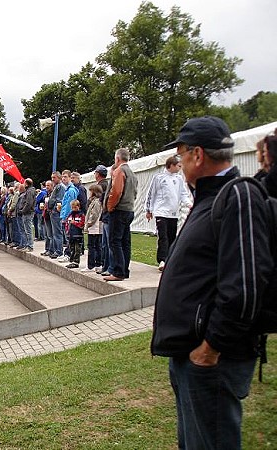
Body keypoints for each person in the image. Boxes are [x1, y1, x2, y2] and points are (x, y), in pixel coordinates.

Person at [151, 116, 273, 449]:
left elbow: (246, 285)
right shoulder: (209, 199)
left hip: (211, 361)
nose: (179, 161)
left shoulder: (237, 196)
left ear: (197, 155)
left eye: (181, 153)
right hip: (193, 358)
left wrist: (209, 349)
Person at [145, 155, 192, 271]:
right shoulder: (159, 178)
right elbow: (151, 194)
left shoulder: (179, 179)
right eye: (178, 166)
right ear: (171, 165)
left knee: (172, 236)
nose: (180, 168)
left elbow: (183, 194)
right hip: (161, 212)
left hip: (173, 213)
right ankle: (162, 260)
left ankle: (170, 259)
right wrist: (149, 210)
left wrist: (189, 204)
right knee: (163, 236)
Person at [103, 148, 138, 281]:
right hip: (129, 209)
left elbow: (116, 191)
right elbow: (135, 192)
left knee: (115, 241)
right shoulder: (132, 174)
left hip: (119, 210)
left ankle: (118, 271)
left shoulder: (119, 171)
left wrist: (110, 206)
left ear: (117, 158)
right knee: (125, 242)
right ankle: (124, 270)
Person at [83, 184, 103, 272]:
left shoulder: (96, 202)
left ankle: (91, 265)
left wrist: (88, 224)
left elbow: (94, 215)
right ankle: (98, 264)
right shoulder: (95, 201)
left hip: (95, 227)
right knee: (97, 246)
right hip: (95, 227)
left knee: (92, 246)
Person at [47, 171, 66, 259]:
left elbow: (59, 200)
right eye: (52, 178)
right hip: (53, 212)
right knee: (54, 233)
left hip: (56, 212)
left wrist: (54, 209)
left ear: (59, 177)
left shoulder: (60, 187)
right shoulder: (56, 187)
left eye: (54, 178)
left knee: (57, 232)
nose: (52, 179)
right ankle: (55, 250)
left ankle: (58, 251)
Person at [64, 199, 85, 269]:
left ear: (78, 206)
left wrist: (75, 223)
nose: (74, 209)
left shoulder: (81, 215)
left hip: (78, 234)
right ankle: (72, 260)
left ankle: (76, 262)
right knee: (72, 248)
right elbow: (67, 223)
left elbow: (82, 224)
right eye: (72, 208)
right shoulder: (70, 215)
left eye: (75, 207)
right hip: (71, 234)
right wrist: (67, 230)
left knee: (77, 249)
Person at [18, 178, 36, 252]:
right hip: (27, 212)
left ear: (27, 184)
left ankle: (30, 246)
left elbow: (29, 203)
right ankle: (28, 245)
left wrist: (23, 211)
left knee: (28, 230)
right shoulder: (30, 191)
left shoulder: (29, 191)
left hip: (27, 213)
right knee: (27, 230)